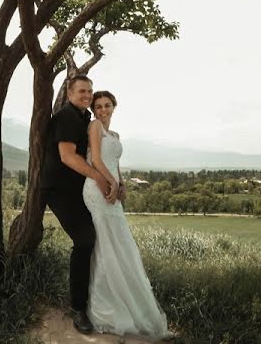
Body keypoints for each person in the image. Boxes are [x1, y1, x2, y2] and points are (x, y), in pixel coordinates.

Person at [82, 90, 172, 339]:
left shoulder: (115, 134)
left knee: (121, 246)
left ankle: (133, 307)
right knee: (105, 246)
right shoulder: (94, 127)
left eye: (107, 105)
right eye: (98, 106)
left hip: (111, 188)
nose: (102, 110)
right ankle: (105, 310)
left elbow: (115, 164)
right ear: (94, 109)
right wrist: (110, 183)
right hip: (96, 189)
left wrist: (121, 185)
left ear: (114, 107)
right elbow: (97, 161)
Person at [40, 74, 117, 335]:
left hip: (80, 190)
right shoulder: (66, 117)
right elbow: (67, 156)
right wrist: (98, 177)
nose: (87, 95)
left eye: (90, 91)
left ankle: (100, 298)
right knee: (85, 241)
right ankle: (78, 308)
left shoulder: (85, 118)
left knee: (99, 239)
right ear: (70, 93)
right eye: (82, 91)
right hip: (60, 191)